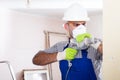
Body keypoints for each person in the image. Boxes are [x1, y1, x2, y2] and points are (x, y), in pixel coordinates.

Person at [32, 3, 103, 80]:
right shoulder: (61, 46)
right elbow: (36, 59)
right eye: (76, 25)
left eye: (83, 24)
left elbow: (114, 56)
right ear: (66, 26)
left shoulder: (95, 44)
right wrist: (60, 55)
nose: (81, 28)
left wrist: (93, 42)